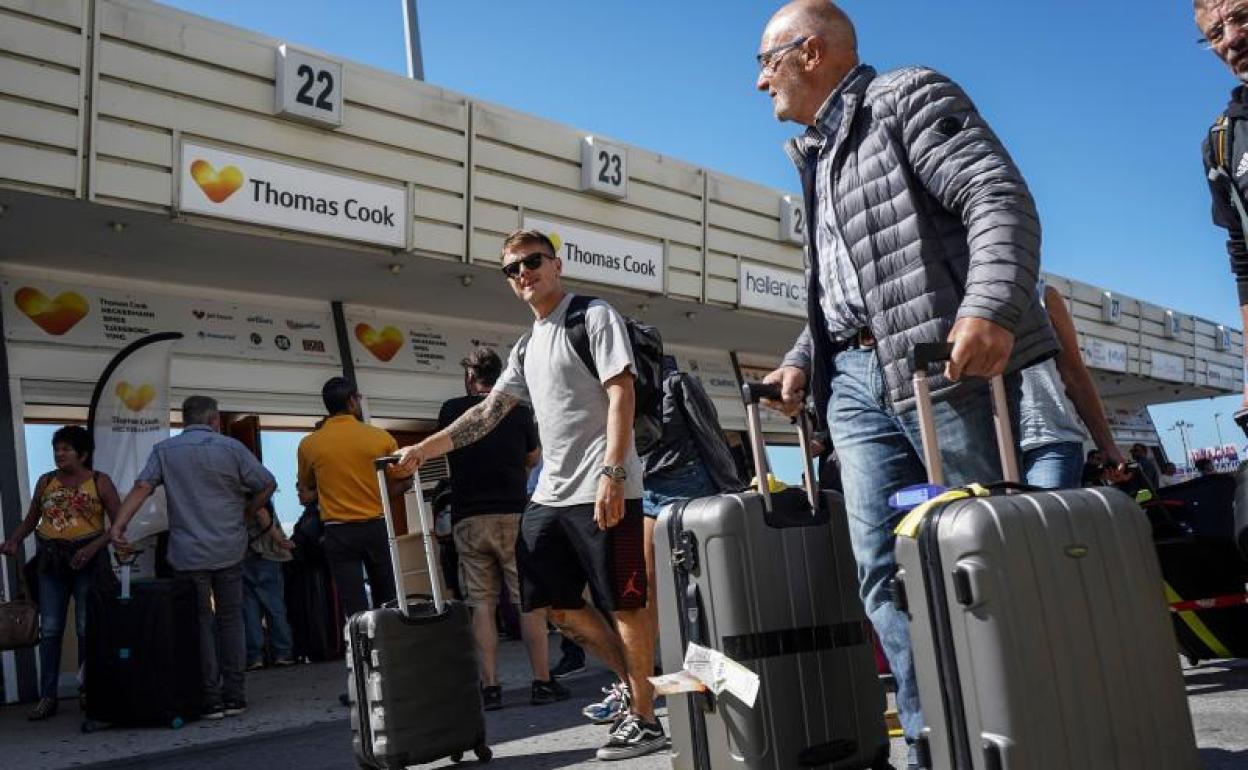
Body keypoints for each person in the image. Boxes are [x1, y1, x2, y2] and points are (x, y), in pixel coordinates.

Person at [754, 3, 1058, 764]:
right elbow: (848, 287)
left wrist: (989, 305)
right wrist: (802, 357)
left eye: (766, 62)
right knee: (884, 574)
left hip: (940, 372)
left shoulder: (904, 97)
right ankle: (934, 744)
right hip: (854, 382)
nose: (760, 82)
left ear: (811, 52)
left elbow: (996, 195)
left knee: (977, 561)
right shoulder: (818, 155)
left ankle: (1019, 737)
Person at [397, 229, 666, 761]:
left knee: (625, 602)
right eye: (512, 269)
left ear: (556, 264)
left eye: (532, 262)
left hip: (604, 484)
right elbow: (487, 413)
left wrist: (614, 472)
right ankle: (639, 688)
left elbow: (622, 392)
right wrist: (425, 449)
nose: (523, 273)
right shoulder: (525, 345)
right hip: (548, 495)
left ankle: (644, 718)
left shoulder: (592, 316)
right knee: (554, 608)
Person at [110, 396, 276, 720]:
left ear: (183, 420)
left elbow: (142, 486)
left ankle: (210, 699)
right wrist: (248, 512)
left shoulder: (165, 451)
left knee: (200, 623)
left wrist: (119, 525)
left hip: (188, 553)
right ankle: (235, 696)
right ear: (214, 419)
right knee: (231, 620)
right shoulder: (232, 448)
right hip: (229, 547)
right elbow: (267, 483)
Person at [438, 346, 566, 710]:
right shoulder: (518, 411)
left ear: (469, 377)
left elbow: (446, 447)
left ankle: (490, 688)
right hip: (513, 515)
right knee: (527, 601)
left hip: (468, 519)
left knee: (481, 604)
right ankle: (542, 682)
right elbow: (533, 458)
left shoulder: (450, 410)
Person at [1, 427, 120, 720]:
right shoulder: (46, 481)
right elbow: (31, 519)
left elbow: (118, 525)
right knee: (51, 628)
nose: (59, 454)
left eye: (66, 449)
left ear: (83, 454)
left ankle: (87, 690)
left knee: (85, 627)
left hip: (87, 560)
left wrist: (93, 548)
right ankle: (47, 696)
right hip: (52, 562)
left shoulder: (100, 481)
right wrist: (14, 540)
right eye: (57, 449)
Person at [297, 378, 405, 625]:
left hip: (338, 531)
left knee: (354, 605)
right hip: (376, 526)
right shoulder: (380, 438)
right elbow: (401, 479)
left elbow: (307, 485)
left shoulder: (309, 444)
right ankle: (390, 643)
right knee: (387, 598)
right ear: (351, 401)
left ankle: (361, 647)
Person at [1019, 284, 1125, 489]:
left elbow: (1074, 374)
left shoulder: (1043, 296)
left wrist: (1107, 445)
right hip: (988, 448)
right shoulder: (958, 298)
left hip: (1051, 443)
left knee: (1046, 511)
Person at [1197, 0, 1248, 410]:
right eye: (1215, 34)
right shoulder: (1222, 143)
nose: (1231, 39)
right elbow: (1243, 260)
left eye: (1242, 17)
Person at [242, 501, 296, 670]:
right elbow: (261, 514)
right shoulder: (255, 491)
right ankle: (283, 652)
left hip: (242, 554)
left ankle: (255, 657)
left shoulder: (230, 494)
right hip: (265, 553)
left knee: (250, 611)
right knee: (274, 607)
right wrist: (281, 541)